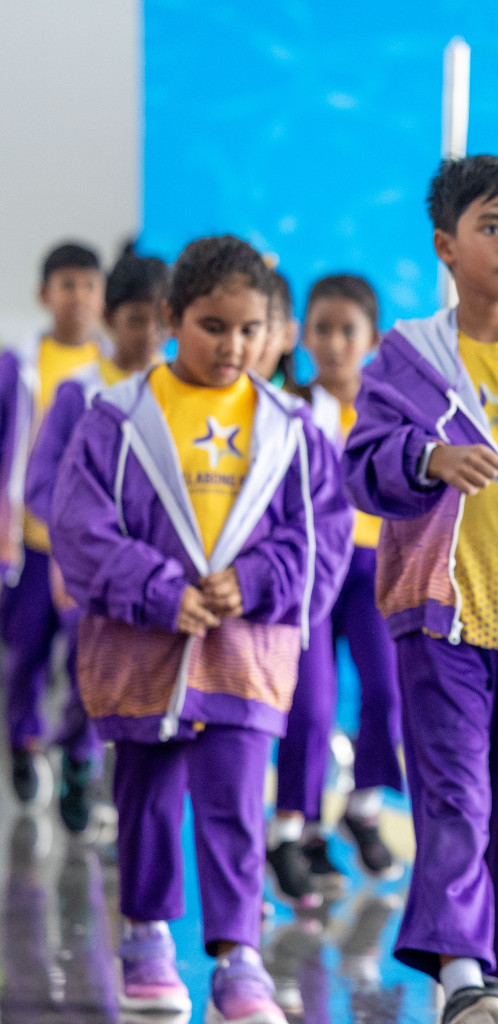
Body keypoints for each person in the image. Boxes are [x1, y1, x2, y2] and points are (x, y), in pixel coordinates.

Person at [50, 235, 352, 1023]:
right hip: (141, 649)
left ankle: (237, 954)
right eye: (214, 326)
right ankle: (146, 933)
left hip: (245, 652)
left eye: (251, 330)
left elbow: (320, 535)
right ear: (173, 317)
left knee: (235, 802)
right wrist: (156, 590)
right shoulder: (115, 417)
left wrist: (253, 583)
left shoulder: (291, 428)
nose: (234, 346)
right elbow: (81, 527)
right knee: (146, 795)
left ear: (272, 331)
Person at [343, 155, 498, 1024]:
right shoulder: (409, 356)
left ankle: (496, 970)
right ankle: (461, 970)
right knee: (456, 797)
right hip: (442, 617)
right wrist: (426, 459)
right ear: (447, 244)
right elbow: (361, 468)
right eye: (495, 227)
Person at [23, 241, 170, 832]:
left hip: (156, 571)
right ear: (111, 320)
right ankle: (76, 760)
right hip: (90, 567)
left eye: (164, 319)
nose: (152, 333)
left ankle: (127, 797)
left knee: (145, 684)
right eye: (138, 319)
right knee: (90, 671)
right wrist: (68, 555)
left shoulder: (180, 393)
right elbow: (44, 482)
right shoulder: (82, 391)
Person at [269, 274, 404, 902]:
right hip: (308, 570)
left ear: (372, 339)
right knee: (313, 706)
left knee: (386, 691)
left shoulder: (392, 406)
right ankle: (291, 829)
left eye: (347, 329)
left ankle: (363, 807)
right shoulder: (289, 410)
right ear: (301, 334)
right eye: (320, 328)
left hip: (373, 569)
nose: (332, 343)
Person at [0, 241, 108, 807]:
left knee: (89, 656)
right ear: (45, 294)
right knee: (24, 655)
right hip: (29, 545)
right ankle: (22, 743)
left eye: (90, 286)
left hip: (84, 551)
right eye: (67, 286)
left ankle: (79, 757)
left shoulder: (113, 373)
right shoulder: (18, 365)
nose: (79, 298)